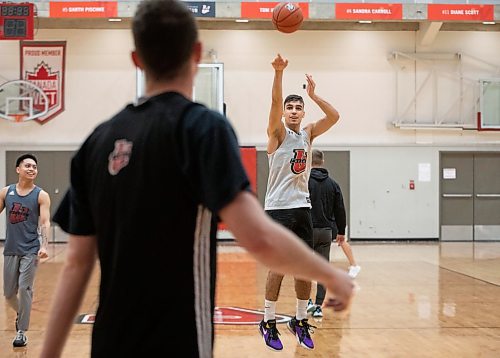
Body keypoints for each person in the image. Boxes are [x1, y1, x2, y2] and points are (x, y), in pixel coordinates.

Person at [39, 1, 354, 357]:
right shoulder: (204, 129)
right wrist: (331, 275)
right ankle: (274, 319)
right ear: (197, 53)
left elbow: (77, 263)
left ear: (136, 59)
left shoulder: (97, 142)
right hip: (181, 332)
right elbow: (259, 238)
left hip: (113, 338)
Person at [259, 53, 342, 351]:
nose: (294, 111)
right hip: (278, 209)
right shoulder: (277, 133)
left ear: (303, 112)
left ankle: (299, 319)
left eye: (298, 107)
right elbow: (273, 103)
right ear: (284, 113)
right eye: (289, 107)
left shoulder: (307, 134)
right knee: (279, 267)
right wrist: (279, 73)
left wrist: (315, 95)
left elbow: (334, 117)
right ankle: (268, 321)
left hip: (302, 207)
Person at [0, 153, 50, 347]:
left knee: (24, 288)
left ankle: (21, 331)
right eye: (27, 166)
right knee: (9, 294)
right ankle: (22, 313)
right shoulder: (6, 192)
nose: (31, 169)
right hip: (11, 249)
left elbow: (45, 222)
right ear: (18, 169)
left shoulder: (41, 195)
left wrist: (44, 245)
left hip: (31, 249)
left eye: (34, 167)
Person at [307, 149, 361, 318]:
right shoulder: (333, 184)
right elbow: (340, 210)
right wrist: (341, 231)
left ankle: (304, 303)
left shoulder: (303, 182)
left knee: (305, 268)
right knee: (323, 268)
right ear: (322, 162)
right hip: (325, 231)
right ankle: (317, 306)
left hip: (306, 231)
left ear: (309, 161)